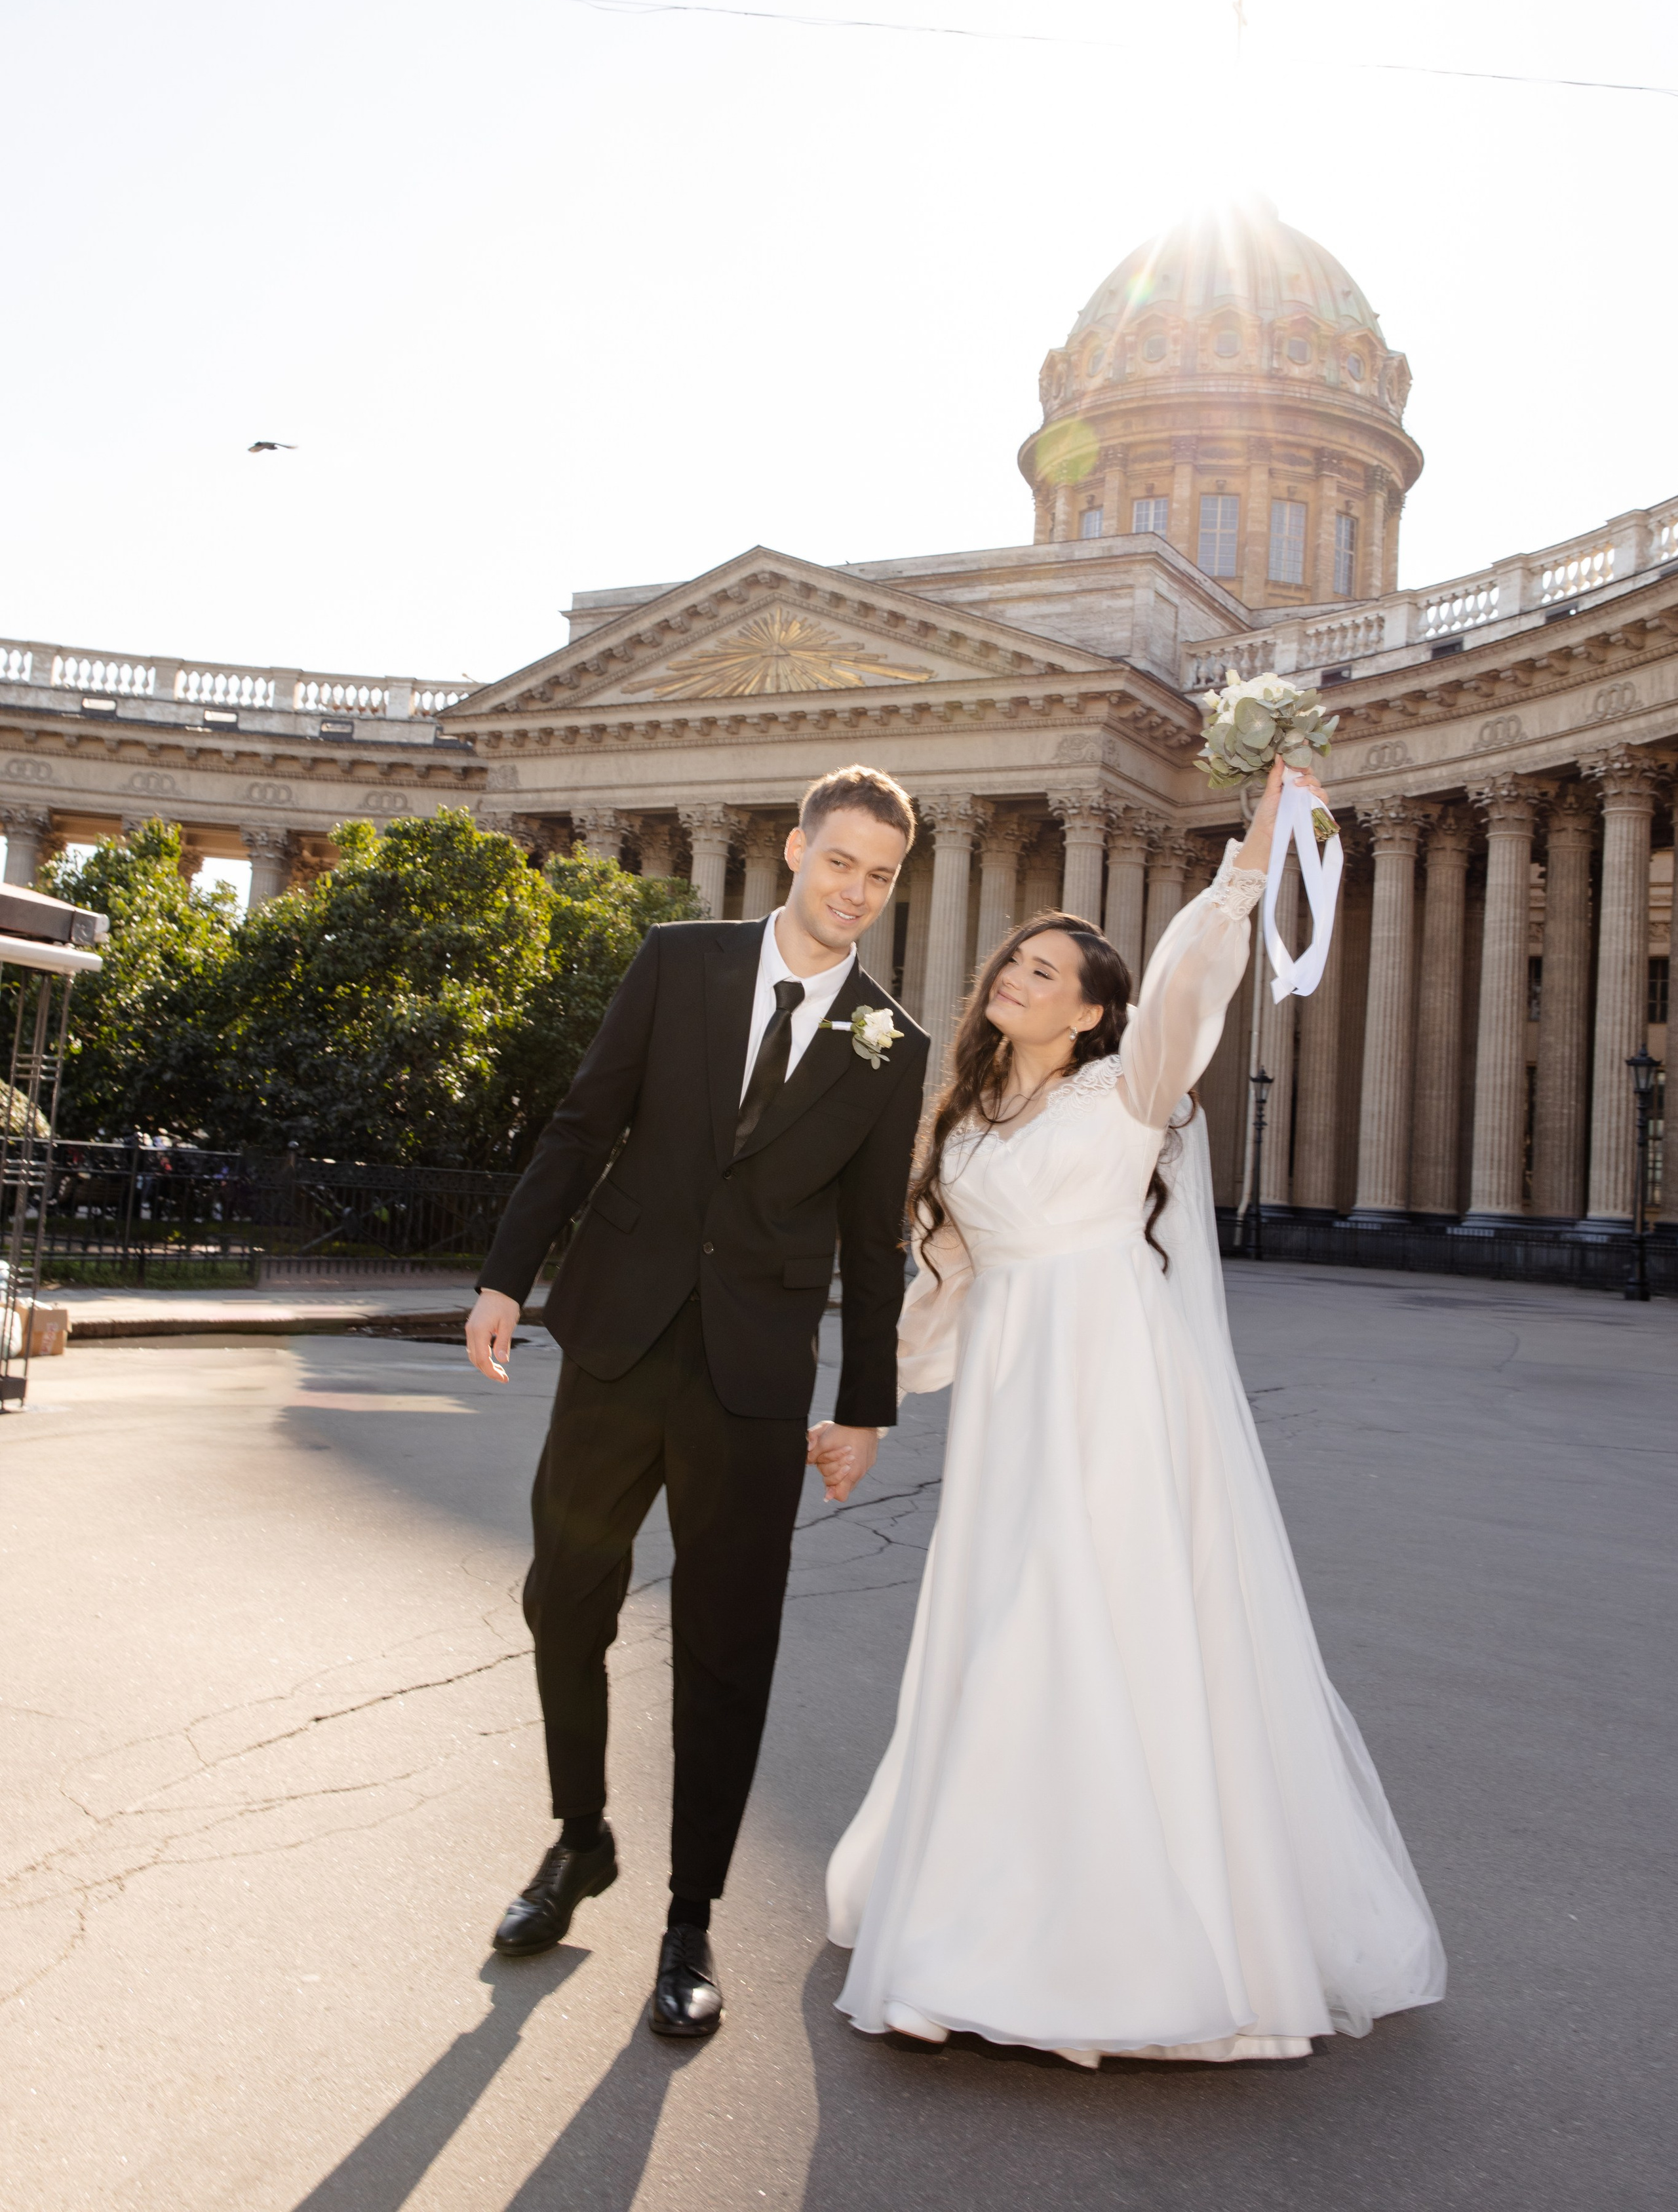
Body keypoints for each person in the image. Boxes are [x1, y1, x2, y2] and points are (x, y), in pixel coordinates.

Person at [827, 758, 1446, 2066]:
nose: (1019, 976)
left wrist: (1242, 865)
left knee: (1092, 1623)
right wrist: (866, 1409)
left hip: (1110, 1386)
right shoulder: (964, 1117)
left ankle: (1114, 1946)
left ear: (1097, 1010)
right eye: (1017, 962)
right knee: (1001, 1628)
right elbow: (934, 1285)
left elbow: (1186, 990)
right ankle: (976, 1909)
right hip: (1007, 1398)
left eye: (1051, 971)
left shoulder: (1132, 1091)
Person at [466, 766, 927, 2040]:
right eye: (841, 862)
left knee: (727, 1649)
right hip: (619, 1338)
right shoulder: (680, 962)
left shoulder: (893, 1044)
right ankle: (578, 1839)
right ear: (794, 850)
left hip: (754, 1378)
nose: (856, 891)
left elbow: (873, 1242)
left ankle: (689, 1919)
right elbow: (583, 1123)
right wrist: (506, 1273)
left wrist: (865, 1401)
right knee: (563, 1592)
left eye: (880, 876)